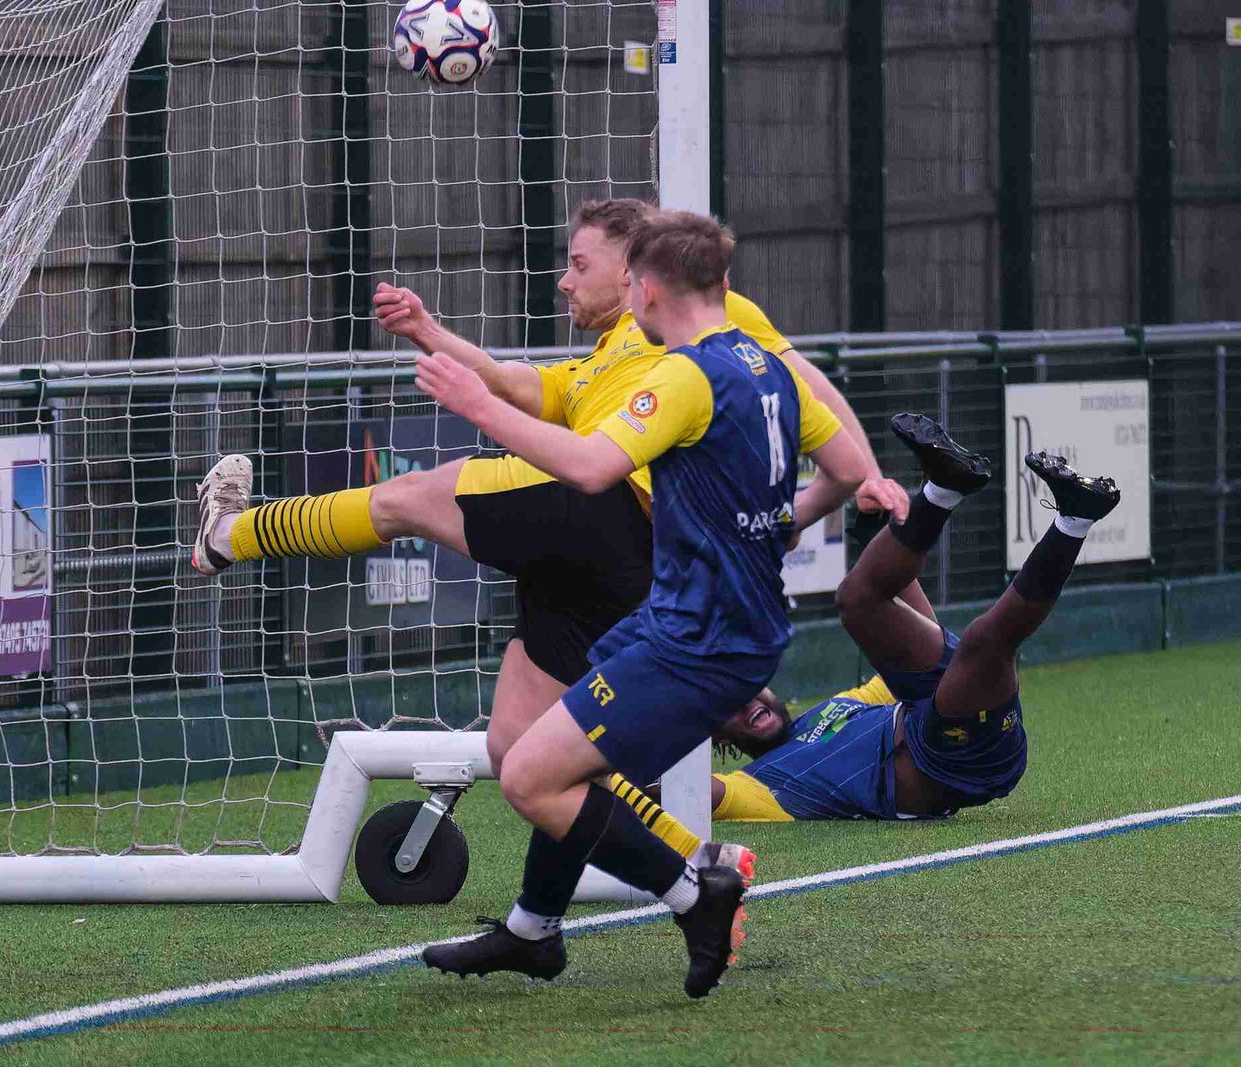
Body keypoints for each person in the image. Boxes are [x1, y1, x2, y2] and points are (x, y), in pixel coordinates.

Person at [189, 198, 905, 864]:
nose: (564, 281)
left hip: (603, 509)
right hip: (610, 562)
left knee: (405, 498)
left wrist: (866, 474)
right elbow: (521, 385)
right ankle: (693, 861)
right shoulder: (602, 362)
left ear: (635, 274)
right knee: (520, 747)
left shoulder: (699, 315)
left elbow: (802, 381)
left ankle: (231, 535)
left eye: (579, 263)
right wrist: (429, 332)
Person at [415, 211, 869, 997]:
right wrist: (778, 523)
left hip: (699, 638)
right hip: (706, 622)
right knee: (561, 758)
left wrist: (479, 406)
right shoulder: (769, 365)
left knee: (528, 777)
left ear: (646, 289)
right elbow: (851, 467)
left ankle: (695, 894)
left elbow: (592, 467)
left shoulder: (684, 375)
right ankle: (533, 929)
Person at [704, 414, 1121, 822]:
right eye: (725, 705)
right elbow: (697, 793)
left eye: (745, 687)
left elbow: (924, 651)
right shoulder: (755, 783)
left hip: (936, 711)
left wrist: (878, 537)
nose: (746, 702)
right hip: (955, 762)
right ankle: (1074, 522)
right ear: (715, 735)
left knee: (856, 599)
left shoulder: (832, 710)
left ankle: (944, 487)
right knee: (982, 643)